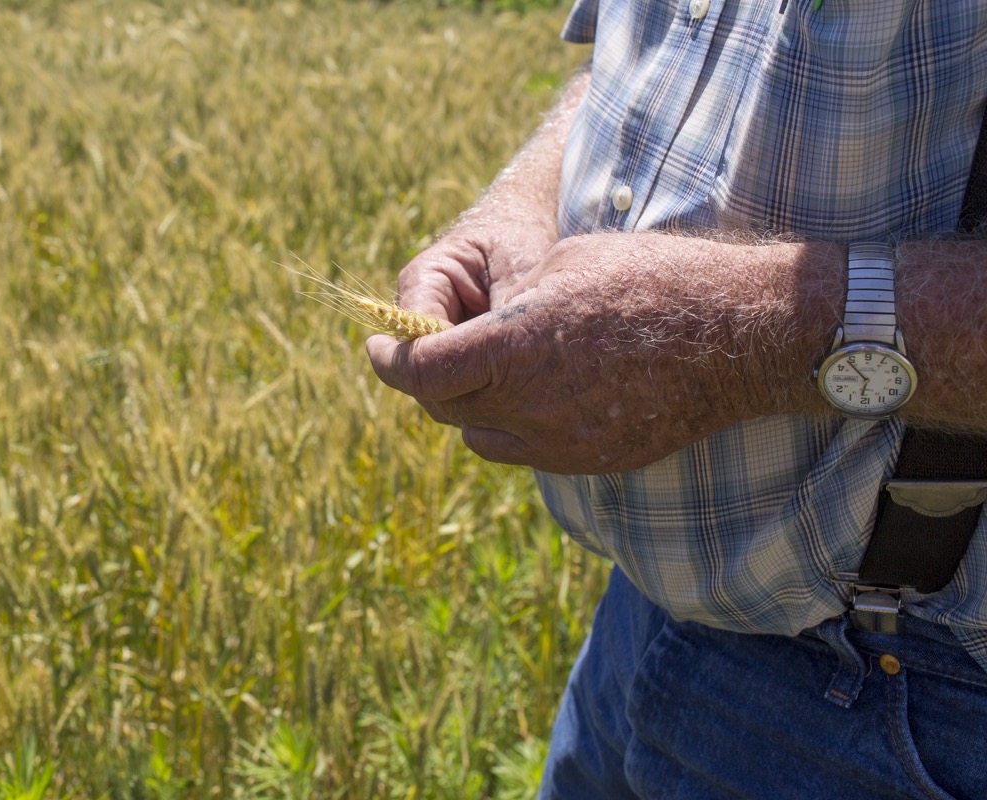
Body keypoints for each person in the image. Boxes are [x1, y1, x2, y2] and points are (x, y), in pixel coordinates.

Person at [366, 0, 987, 797]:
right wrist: (518, 207)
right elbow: (634, 66)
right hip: (632, 625)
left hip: (910, 699)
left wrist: (738, 338)